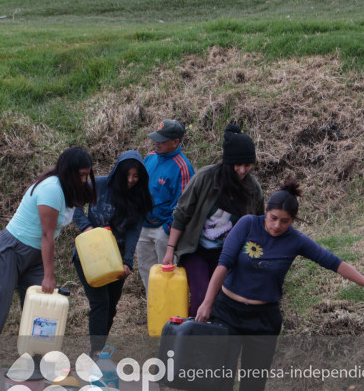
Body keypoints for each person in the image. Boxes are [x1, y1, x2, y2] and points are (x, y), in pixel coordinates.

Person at [195, 181, 364, 391]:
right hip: (228, 311)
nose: (277, 225)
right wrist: (207, 302)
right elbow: (224, 263)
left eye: (285, 221)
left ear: (292, 221)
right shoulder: (247, 224)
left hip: (264, 317)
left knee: (254, 379)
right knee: (223, 376)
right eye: (273, 218)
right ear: (265, 211)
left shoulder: (296, 241)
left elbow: (331, 261)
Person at [0, 147, 96, 382]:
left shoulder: (69, 189)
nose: (84, 179)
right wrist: (49, 275)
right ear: (68, 171)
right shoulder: (51, 190)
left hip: (35, 255)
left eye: (87, 174)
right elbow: (47, 236)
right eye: (80, 174)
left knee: (43, 312)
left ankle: (34, 367)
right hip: (11, 250)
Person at [163, 123, 264, 316]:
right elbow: (181, 213)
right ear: (228, 162)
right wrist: (170, 250)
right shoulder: (205, 178)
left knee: (219, 300)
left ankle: (215, 341)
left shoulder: (253, 190)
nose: (243, 170)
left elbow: (258, 224)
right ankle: (191, 338)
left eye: (248, 165)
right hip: (196, 250)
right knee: (201, 297)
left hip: (226, 255)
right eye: (238, 164)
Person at [72, 150, 153, 356]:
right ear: (118, 172)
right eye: (127, 175)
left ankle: (98, 349)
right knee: (100, 302)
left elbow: (134, 231)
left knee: (111, 305)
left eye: (135, 176)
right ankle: (97, 352)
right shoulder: (99, 185)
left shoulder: (138, 196)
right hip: (89, 255)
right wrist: (86, 227)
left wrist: (128, 261)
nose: (131, 180)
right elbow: (75, 203)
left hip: (115, 258)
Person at [136, 119, 194, 295]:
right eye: (156, 139)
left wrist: (167, 229)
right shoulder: (150, 158)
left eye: (162, 140)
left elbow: (183, 203)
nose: (157, 143)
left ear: (176, 142)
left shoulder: (183, 167)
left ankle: (168, 314)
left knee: (166, 273)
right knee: (146, 271)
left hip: (163, 231)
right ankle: (153, 309)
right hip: (143, 225)